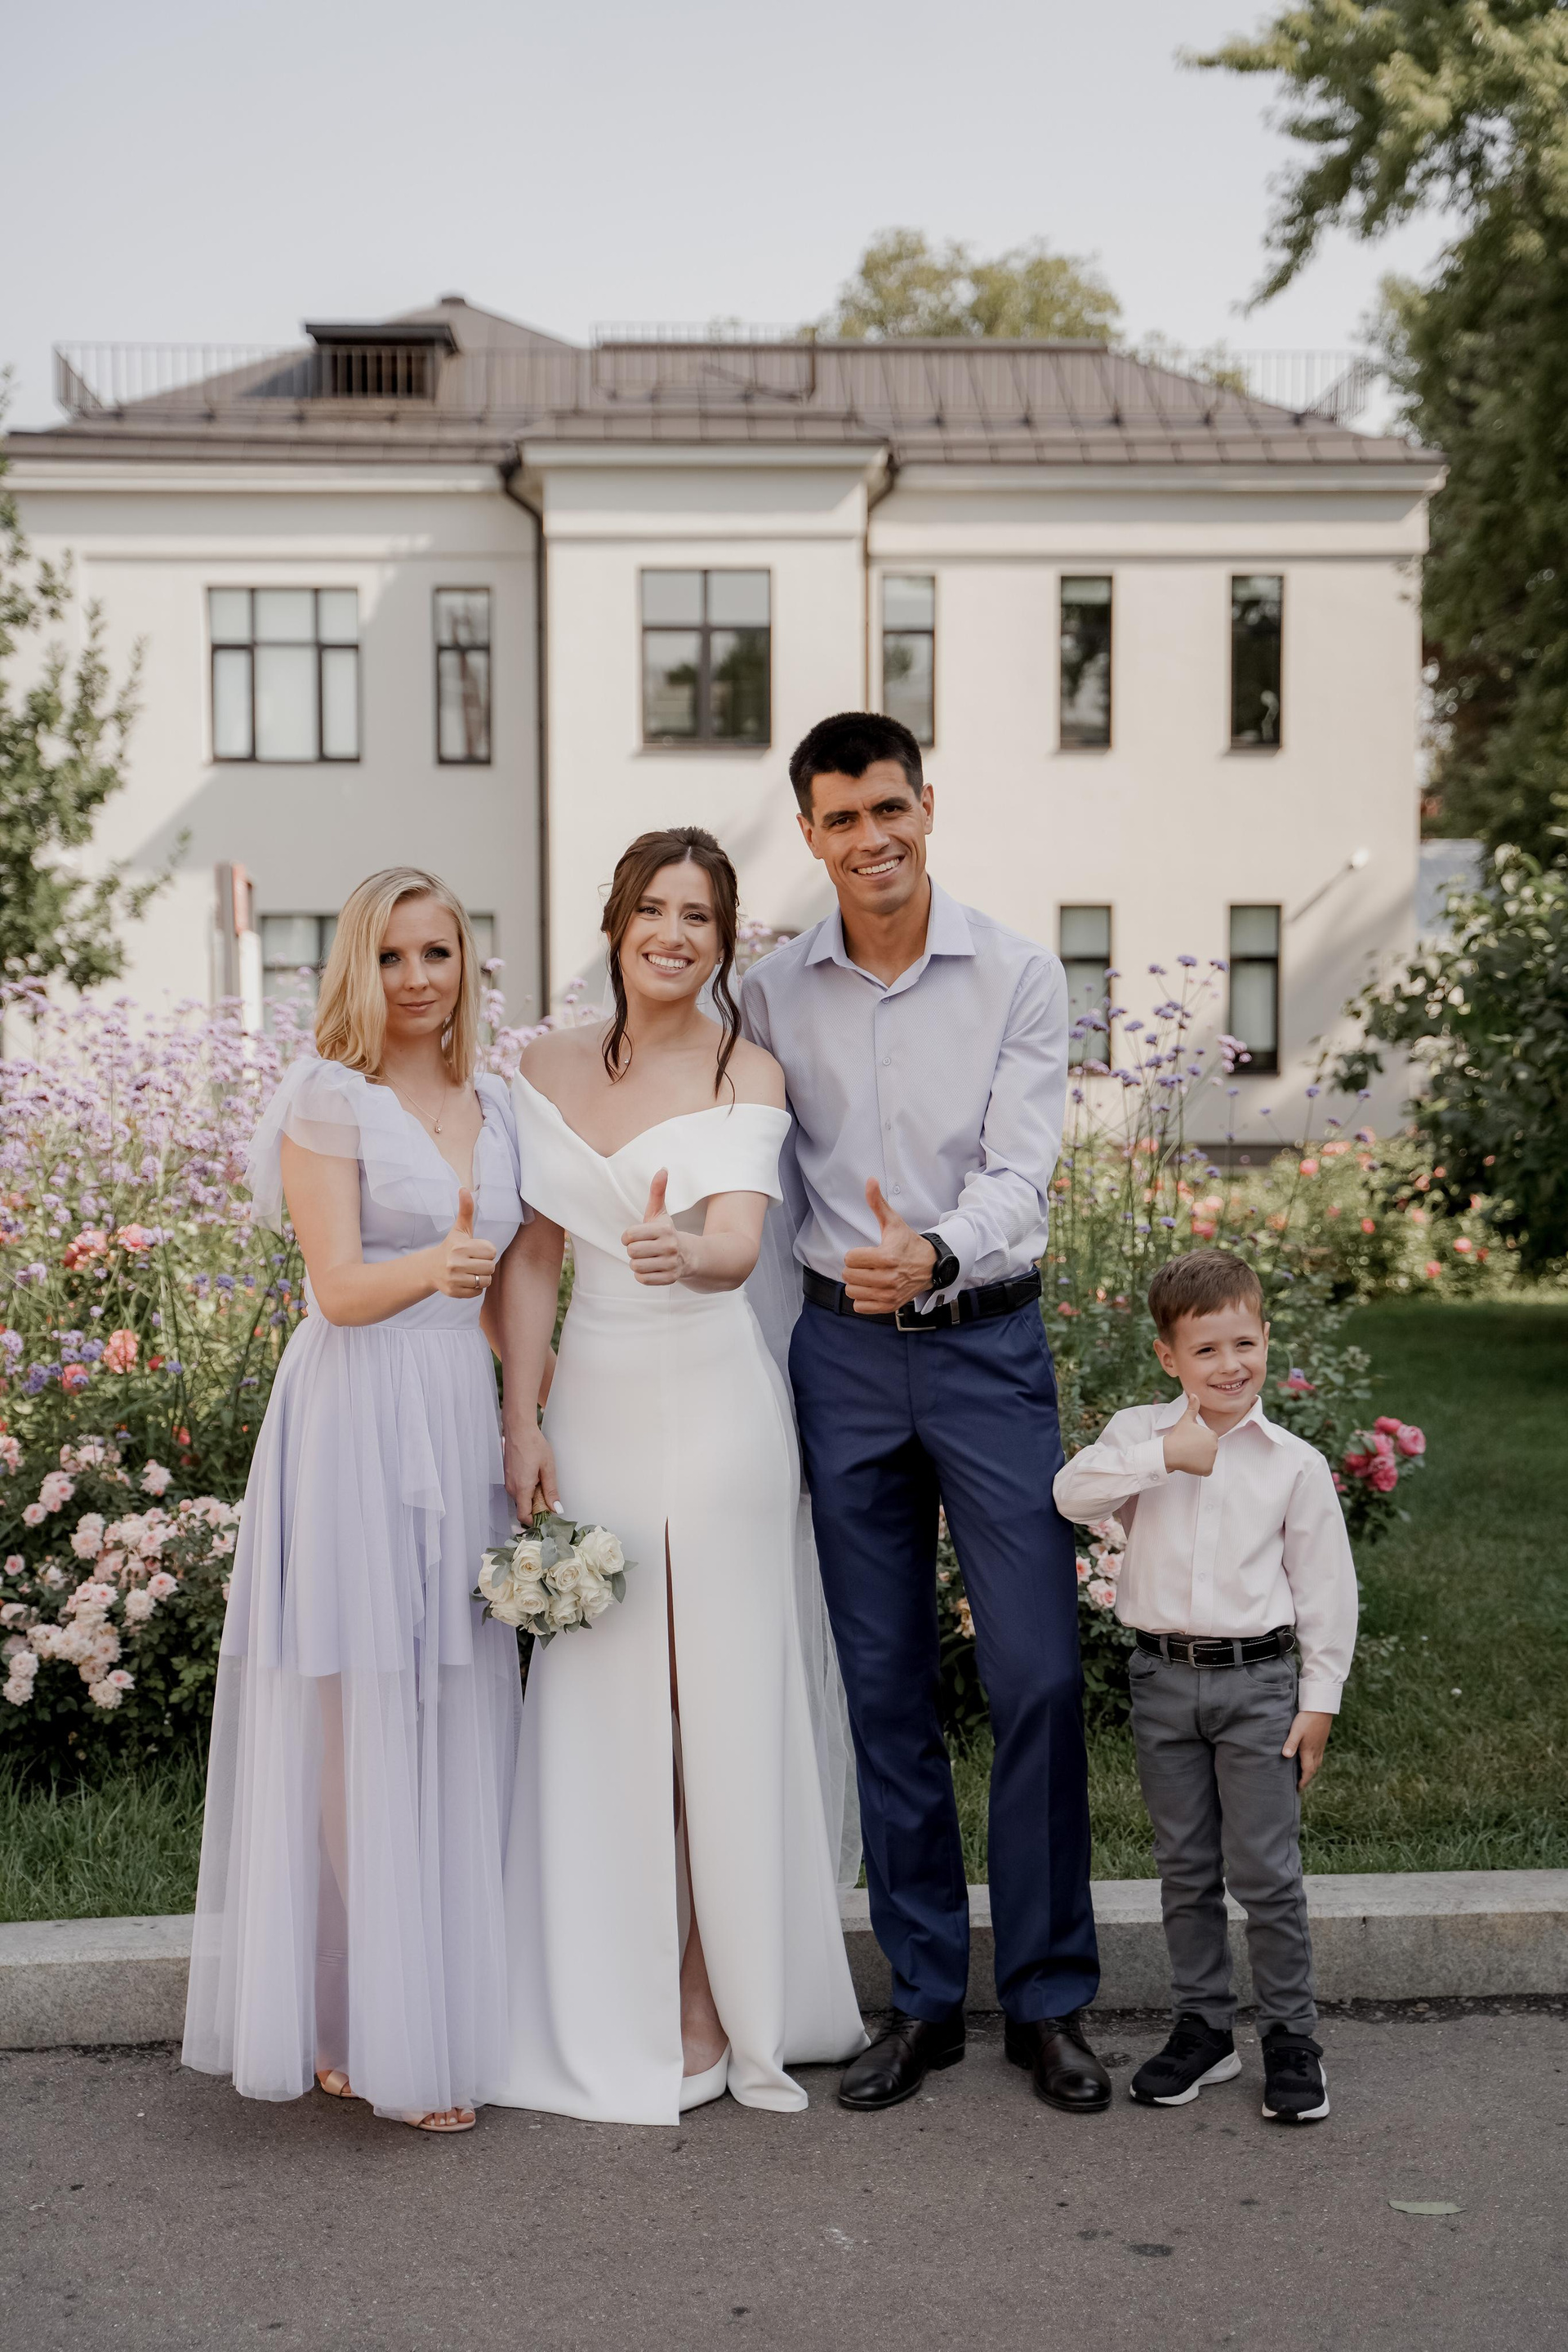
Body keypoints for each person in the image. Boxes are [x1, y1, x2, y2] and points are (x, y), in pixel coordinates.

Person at [740, 711, 1108, 2116]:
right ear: (811, 834)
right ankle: (924, 1999)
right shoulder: (771, 995)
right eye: (841, 820)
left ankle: (1049, 2002)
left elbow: (1023, 1168)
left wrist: (939, 1251)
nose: (870, 838)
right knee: (883, 1685)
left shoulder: (1016, 972)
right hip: (841, 1360)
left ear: (927, 805)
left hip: (984, 1347)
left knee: (1040, 1675)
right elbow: (750, 1173)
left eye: (888, 808)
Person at [492, 826, 865, 2126]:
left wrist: (683, 1256)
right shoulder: (541, 1066)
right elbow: (532, 1258)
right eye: (654, 908)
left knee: (717, 1701)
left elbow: (737, 1244)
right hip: (590, 1408)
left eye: (699, 917)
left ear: (721, 942)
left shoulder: (743, 1067)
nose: (673, 934)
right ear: (617, 922)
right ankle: (608, 1988)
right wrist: (522, 1422)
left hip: (713, 1410)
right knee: (605, 1701)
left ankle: (719, 1994)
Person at [183, 868, 528, 2132]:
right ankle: (359, 2018)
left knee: (450, 1692)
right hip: (355, 1409)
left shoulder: (498, 1101)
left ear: (466, 965)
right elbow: (334, 1286)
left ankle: (441, 1997)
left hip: (454, 1408)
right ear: (355, 969)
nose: (418, 978)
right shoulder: (329, 1097)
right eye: (391, 956)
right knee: (358, 1708)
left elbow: (516, 1280)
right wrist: (433, 1266)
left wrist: (522, 1420)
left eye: (438, 952)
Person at [1053, 1249, 1357, 2124]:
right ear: (1168, 1357)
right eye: (1206, 1349)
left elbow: (1326, 1588)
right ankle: (1205, 2029)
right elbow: (1071, 1495)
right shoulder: (1137, 1434)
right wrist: (1164, 1455)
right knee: (1184, 1867)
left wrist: (1319, 1700)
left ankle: (1291, 2038)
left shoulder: (1292, 1463)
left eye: (1244, 1343)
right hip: (1161, 1680)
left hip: (1258, 1685)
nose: (1230, 1365)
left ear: (1265, 1339)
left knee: (1265, 1871)